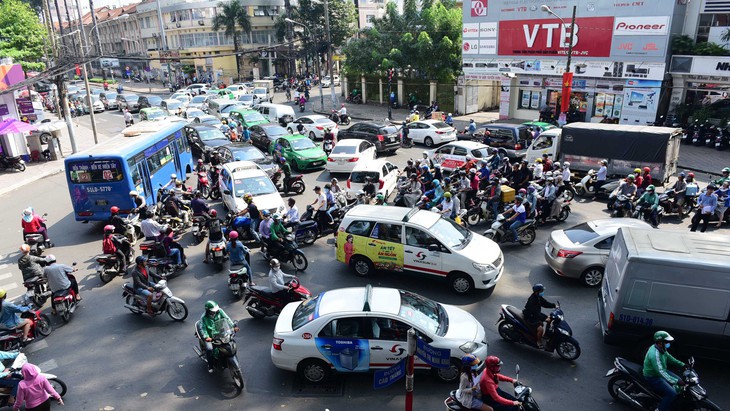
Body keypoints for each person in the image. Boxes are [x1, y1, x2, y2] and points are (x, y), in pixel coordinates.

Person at [642, 331, 685, 411]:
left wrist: (683, 365)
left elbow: (669, 358)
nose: (668, 344)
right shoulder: (655, 355)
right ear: (660, 342)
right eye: (667, 342)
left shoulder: (662, 348)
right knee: (672, 394)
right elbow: (661, 372)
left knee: (680, 381)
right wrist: (675, 381)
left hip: (661, 371)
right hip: (653, 377)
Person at [199, 301, 237, 373]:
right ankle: (210, 365)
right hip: (211, 336)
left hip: (221, 332)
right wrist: (206, 337)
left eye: (216, 310)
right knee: (210, 349)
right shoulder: (203, 317)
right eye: (213, 311)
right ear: (208, 310)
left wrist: (233, 326)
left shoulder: (220, 311)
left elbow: (227, 318)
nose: (215, 312)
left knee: (230, 341)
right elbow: (203, 329)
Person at [522, 283, 556, 349]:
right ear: (537, 292)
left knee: (550, 319)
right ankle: (539, 341)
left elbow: (545, 303)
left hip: (536, 315)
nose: (542, 292)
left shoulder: (538, 297)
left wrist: (554, 305)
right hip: (530, 318)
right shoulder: (532, 301)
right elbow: (535, 314)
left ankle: (546, 335)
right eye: (541, 291)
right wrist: (544, 318)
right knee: (540, 329)